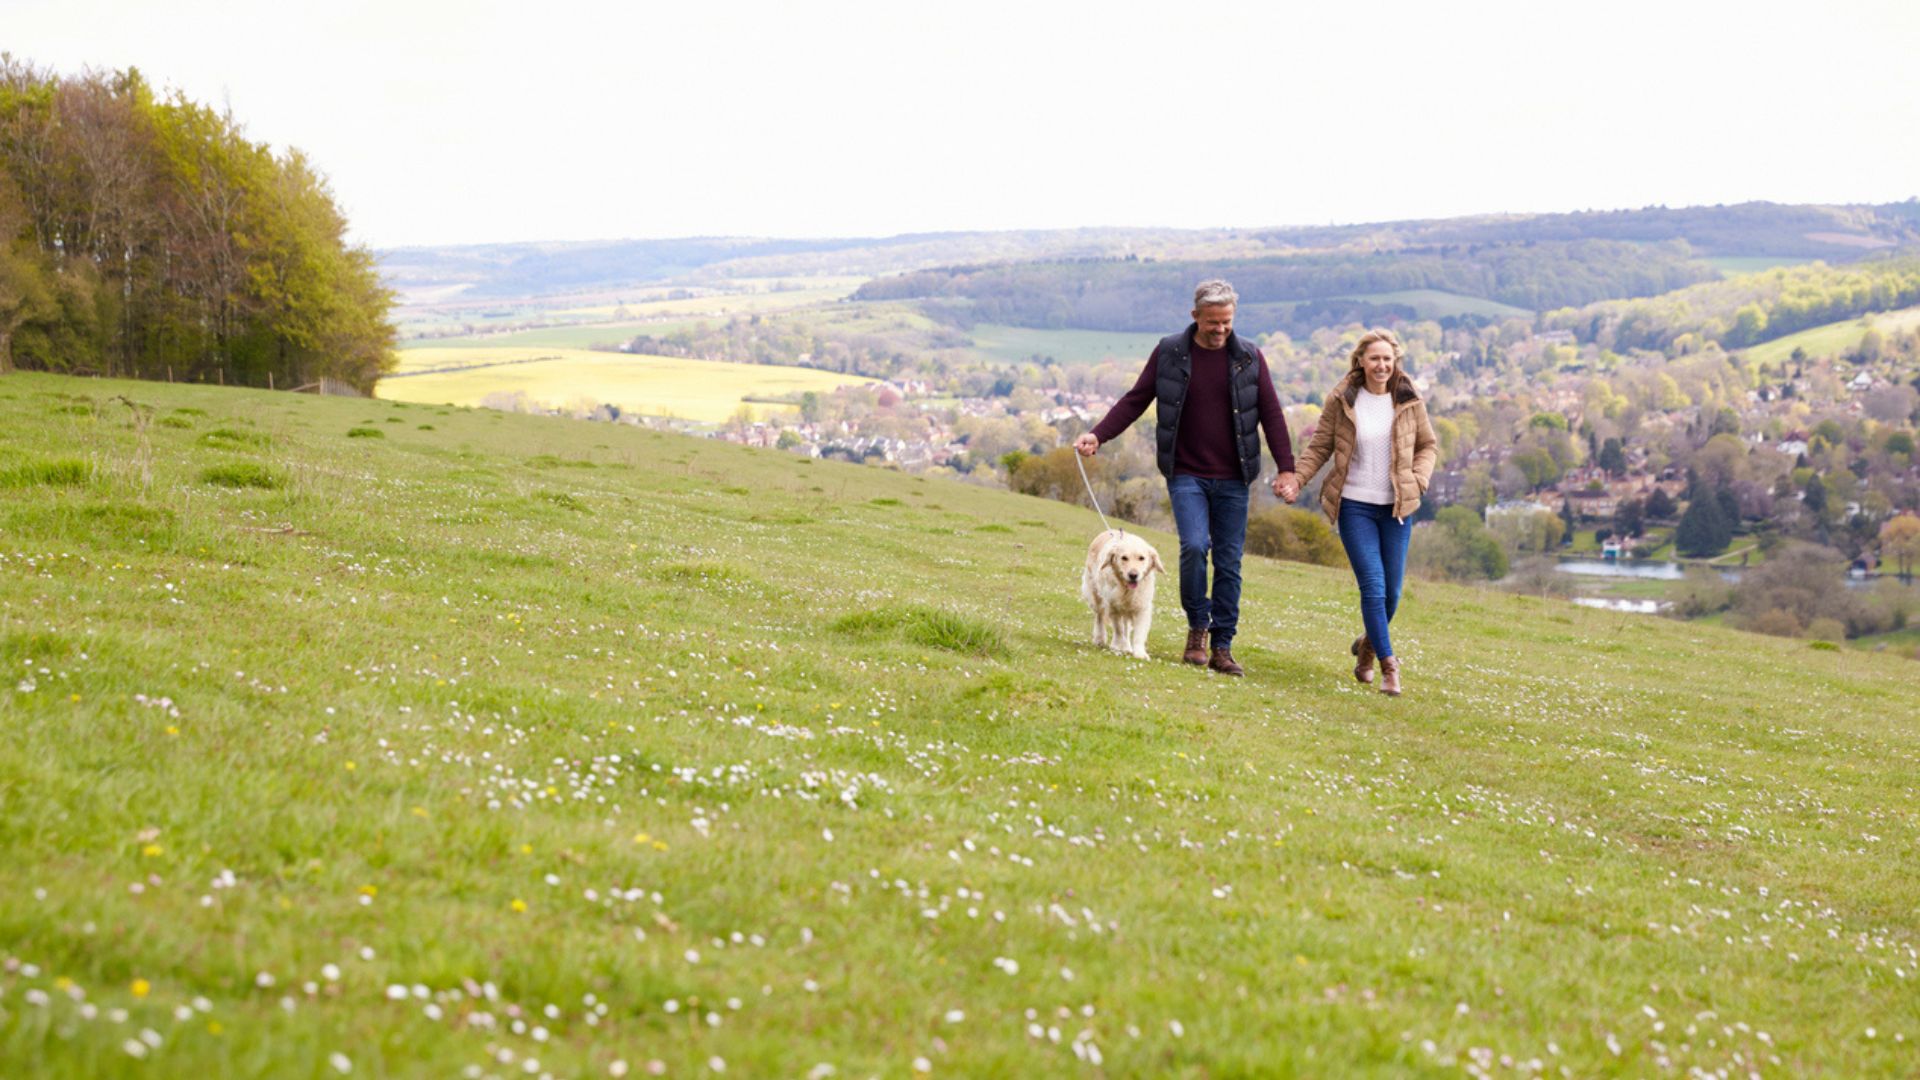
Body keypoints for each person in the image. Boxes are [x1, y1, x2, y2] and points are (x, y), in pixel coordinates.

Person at [1073, 280, 1296, 676]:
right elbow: (1136, 398)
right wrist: (1098, 434)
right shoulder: (1170, 352)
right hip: (1186, 472)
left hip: (1234, 476)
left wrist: (1288, 469)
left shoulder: (1249, 358)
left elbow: (1272, 414)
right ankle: (1197, 630)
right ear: (1195, 317)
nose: (1220, 329)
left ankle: (1222, 646)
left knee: (1228, 561)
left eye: (1227, 321)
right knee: (1194, 546)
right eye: (1213, 322)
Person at [1278, 328, 1437, 696]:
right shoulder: (1343, 400)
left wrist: (1419, 480)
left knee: (1392, 594)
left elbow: (1428, 445)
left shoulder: (1409, 399)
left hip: (1396, 507)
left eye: (1387, 359)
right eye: (1374, 358)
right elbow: (1320, 447)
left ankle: (1366, 647)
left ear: (1395, 362)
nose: (1381, 365)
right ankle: (1388, 666)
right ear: (1361, 362)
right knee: (1373, 587)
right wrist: (1297, 480)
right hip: (1355, 506)